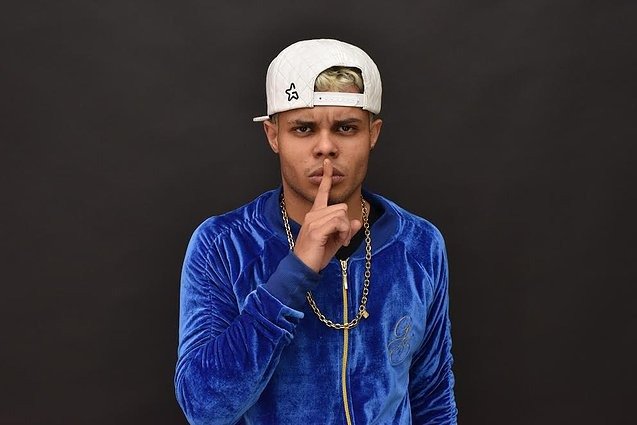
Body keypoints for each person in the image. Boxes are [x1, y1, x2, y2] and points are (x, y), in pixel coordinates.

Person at [175, 38, 457, 424]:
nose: (325, 147)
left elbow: (432, 395)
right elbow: (203, 408)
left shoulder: (419, 244)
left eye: (346, 127)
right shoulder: (223, 245)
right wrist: (294, 273)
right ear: (273, 135)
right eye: (304, 128)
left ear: (372, 134)